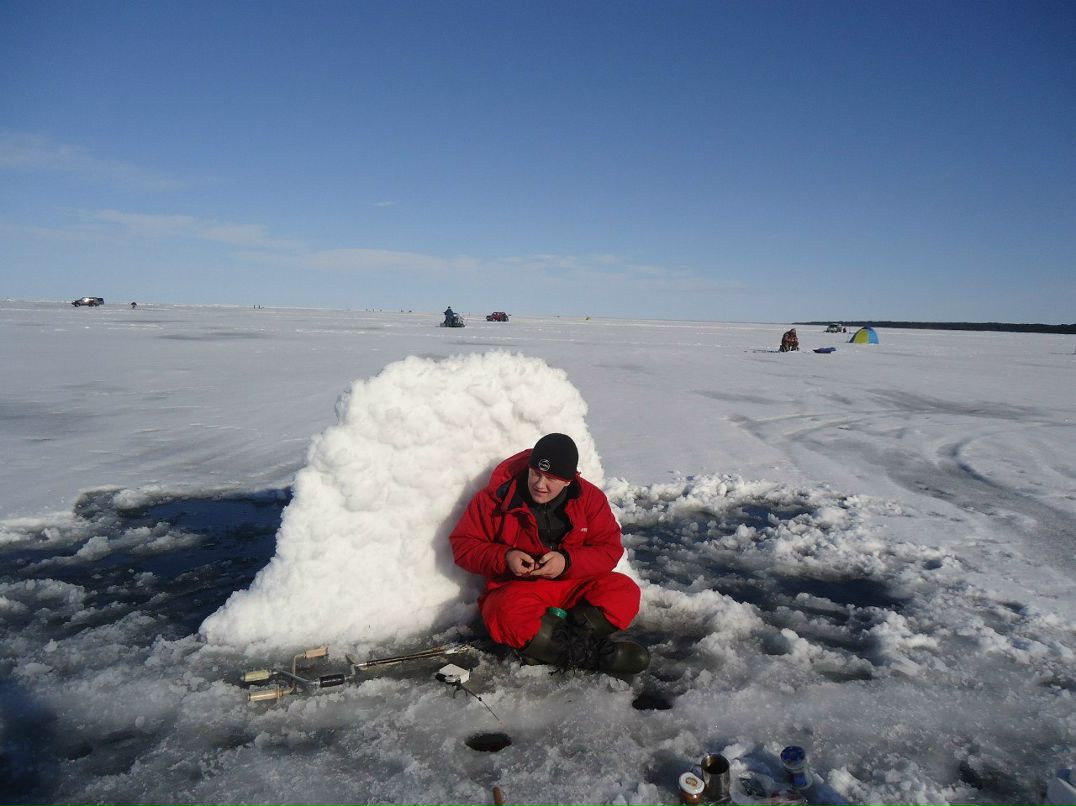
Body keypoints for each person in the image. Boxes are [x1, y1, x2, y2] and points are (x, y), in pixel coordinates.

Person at [449, 433, 649, 674]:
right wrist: (505, 557)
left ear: (568, 480)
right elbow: (463, 545)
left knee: (624, 593)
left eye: (551, 478)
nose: (539, 484)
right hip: (519, 590)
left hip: (574, 586)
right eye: (536, 473)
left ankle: (547, 646)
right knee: (503, 613)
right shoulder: (494, 498)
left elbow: (609, 550)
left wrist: (567, 561)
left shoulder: (590, 499)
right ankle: (594, 655)